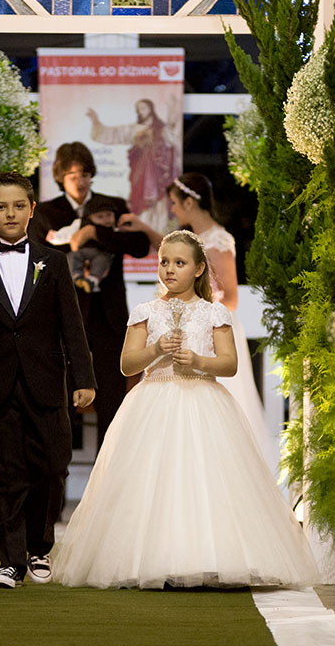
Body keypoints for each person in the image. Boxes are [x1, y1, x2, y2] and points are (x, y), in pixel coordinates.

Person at [53, 231, 319, 589]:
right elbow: (127, 364)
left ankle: (210, 557)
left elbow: (230, 364)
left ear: (198, 269)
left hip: (202, 400)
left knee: (203, 478)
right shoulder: (146, 311)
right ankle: (153, 559)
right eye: (164, 262)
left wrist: (197, 360)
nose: (169, 269)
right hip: (153, 401)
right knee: (154, 479)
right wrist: (156, 350)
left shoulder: (213, 312)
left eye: (179, 263)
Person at [0, 172, 96, 589]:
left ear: (32, 210)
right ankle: (10, 560)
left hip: (46, 381)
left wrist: (83, 377)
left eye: (18, 206)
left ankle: (39, 548)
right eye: (0, 207)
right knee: (4, 474)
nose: (10, 214)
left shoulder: (53, 262)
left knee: (51, 467)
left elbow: (72, 325)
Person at [121, 173, 279, 479]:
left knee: (213, 419)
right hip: (176, 334)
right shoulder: (185, 245)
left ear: (190, 203)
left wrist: (196, 312)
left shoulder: (219, 239)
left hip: (207, 333)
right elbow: (170, 250)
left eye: (175, 204)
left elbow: (230, 298)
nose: (173, 210)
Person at [29, 142, 150, 448]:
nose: (80, 182)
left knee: (112, 395)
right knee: (63, 395)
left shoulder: (112, 205)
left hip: (108, 315)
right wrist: (72, 244)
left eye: (84, 174)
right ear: (60, 177)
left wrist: (96, 233)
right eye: (72, 176)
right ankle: (57, 468)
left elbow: (139, 245)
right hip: (64, 317)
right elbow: (36, 256)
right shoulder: (46, 212)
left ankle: (109, 468)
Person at [86, 98, 177, 225]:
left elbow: (172, 139)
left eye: (143, 108)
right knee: (139, 202)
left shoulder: (161, 129)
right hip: (139, 173)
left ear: (151, 109)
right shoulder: (134, 129)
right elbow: (113, 134)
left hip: (157, 175)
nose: (141, 111)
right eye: (138, 109)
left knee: (158, 206)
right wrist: (96, 122)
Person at [61, 196, 118, 293]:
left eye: (109, 215)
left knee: (101, 261)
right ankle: (76, 276)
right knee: (72, 256)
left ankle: (92, 280)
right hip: (83, 251)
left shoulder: (115, 228)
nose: (106, 220)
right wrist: (55, 236)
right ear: (90, 217)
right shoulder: (81, 224)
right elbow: (68, 233)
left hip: (101, 253)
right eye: (100, 217)